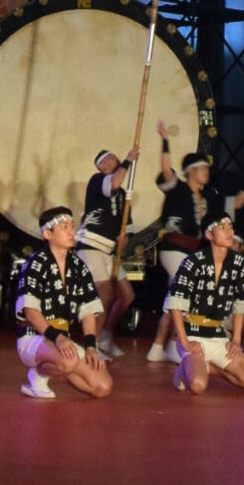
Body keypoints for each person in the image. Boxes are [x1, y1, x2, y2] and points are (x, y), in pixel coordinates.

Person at [11, 207, 112, 401]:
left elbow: (88, 311)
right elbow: (31, 312)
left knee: (102, 387)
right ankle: (37, 376)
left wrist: (91, 347)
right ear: (47, 234)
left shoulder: (79, 267)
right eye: (64, 227)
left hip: (62, 342)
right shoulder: (35, 264)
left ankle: (60, 365)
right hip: (33, 337)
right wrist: (58, 339)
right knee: (69, 360)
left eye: (72, 226)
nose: (71, 232)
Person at [146, 124, 222, 367]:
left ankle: (160, 347)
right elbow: (165, 167)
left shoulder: (206, 197)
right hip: (173, 249)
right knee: (182, 296)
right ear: (191, 171)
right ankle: (172, 345)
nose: (207, 172)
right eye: (203, 169)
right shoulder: (177, 188)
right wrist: (165, 140)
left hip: (190, 251)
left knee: (176, 298)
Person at [166, 209, 244, 396]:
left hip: (218, 335)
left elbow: (241, 303)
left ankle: (208, 366)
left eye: (230, 227)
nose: (229, 231)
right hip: (192, 333)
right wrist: (185, 342)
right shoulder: (192, 262)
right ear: (209, 235)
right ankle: (185, 370)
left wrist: (236, 340)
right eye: (222, 227)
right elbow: (175, 304)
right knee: (198, 385)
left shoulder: (238, 263)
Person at [77, 148, 136, 358]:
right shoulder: (97, 180)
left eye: (114, 156)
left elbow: (127, 225)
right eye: (109, 158)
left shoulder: (123, 195)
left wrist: (125, 239)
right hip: (91, 245)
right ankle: (91, 345)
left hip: (109, 251)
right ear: (101, 166)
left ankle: (105, 336)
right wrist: (128, 160)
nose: (115, 158)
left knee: (127, 296)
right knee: (105, 292)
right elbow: (114, 183)